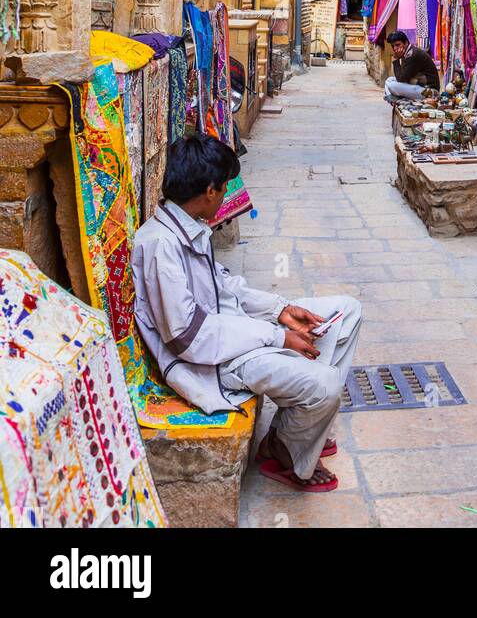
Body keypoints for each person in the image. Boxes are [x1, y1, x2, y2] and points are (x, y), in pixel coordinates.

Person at [132, 133, 361, 494]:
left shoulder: (187, 226)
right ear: (209, 191)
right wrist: (275, 335)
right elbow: (189, 338)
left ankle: (302, 425)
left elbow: (224, 286)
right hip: (215, 362)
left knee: (346, 312)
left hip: (239, 331)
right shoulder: (160, 245)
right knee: (326, 385)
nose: (225, 196)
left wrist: (280, 310)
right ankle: (284, 448)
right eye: (224, 188)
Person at [383, 29, 440, 103]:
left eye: (397, 45)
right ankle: (396, 98)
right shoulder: (408, 52)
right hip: (418, 84)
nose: (395, 49)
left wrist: (395, 60)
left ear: (406, 43)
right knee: (389, 80)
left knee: (391, 86)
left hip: (428, 91)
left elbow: (401, 79)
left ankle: (397, 99)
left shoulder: (412, 54)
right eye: (393, 46)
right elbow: (403, 76)